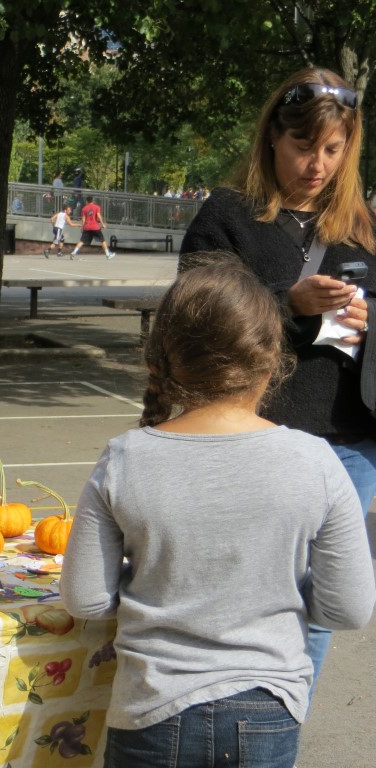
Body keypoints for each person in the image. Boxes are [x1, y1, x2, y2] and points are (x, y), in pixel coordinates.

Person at [62, 261, 375, 768]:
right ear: (274, 359)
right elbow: (349, 608)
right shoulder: (315, 461)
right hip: (269, 706)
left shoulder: (126, 457)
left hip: (150, 707)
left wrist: (157, 578)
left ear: (163, 357)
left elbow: (86, 598)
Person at [180, 67, 376, 687]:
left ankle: (279, 729)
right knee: (240, 596)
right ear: (271, 138)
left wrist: (370, 317)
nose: (316, 165)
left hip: (350, 442)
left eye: (332, 150)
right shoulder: (229, 215)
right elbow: (196, 313)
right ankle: (230, 713)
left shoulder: (362, 224)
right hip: (252, 438)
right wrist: (287, 301)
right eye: (302, 147)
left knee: (318, 608)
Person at [69, 195, 115, 259]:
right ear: (92, 201)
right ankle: (108, 254)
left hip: (87, 227)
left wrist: (83, 227)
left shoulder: (84, 209)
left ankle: (73, 253)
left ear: (87, 201)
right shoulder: (97, 207)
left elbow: (83, 219)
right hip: (95, 227)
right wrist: (102, 224)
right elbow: (99, 216)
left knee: (82, 241)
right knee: (102, 240)